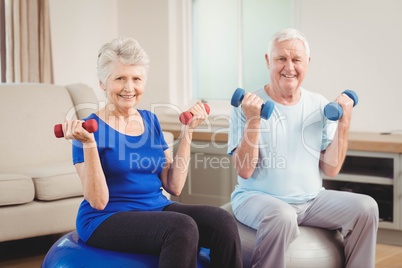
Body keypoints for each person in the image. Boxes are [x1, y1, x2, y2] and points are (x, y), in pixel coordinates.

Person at [63, 37, 242, 268]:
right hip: (104, 218)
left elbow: (173, 185)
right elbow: (98, 201)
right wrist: (89, 143)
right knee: (182, 228)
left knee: (222, 221)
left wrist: (188, 132)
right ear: (102, 83)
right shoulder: (87, 129)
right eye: (120, 78)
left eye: (136, 78)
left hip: (155, 207)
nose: (129, 88)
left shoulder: (150, 120)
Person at [228, 28, 378, 268]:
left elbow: (330, 170)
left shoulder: (318, 104)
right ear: (268, 61)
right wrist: (253, 120)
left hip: (311, 201)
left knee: (367, 207)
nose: (289, 67)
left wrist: (344, 123)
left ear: (307, 62)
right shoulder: (246, 105)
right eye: (281, 59)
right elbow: (244, 171)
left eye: (296, 59)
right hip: (256, 198)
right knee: (283, 216)